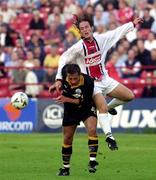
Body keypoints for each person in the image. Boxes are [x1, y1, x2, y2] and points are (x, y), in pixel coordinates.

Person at [50, 14, 143, 150]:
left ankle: (110, 108)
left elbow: (116, 33)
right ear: (80, 32)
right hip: (91, 84)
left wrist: (132, 24)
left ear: (91, 27)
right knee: (102, 107)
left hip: (105, 79)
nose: (85, 30)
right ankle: (109, 137)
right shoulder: (78, 48)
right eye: (82, 28)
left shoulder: (102, 40)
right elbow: (63, 58)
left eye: (87, 27)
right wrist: (58, 78)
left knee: (129, 96)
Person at [51, 64, 98, 176]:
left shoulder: (88, 81)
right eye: (70, 78)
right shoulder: (64, 74)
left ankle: (92, 162)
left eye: (75, 78)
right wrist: (56, 84)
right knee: (67, 138)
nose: (72, 81)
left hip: (86, 108)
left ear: (80, 74)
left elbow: (84, 102)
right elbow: (59, 80)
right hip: (70, 110)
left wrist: (65, 99)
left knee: (92, 129)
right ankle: (66, 168)